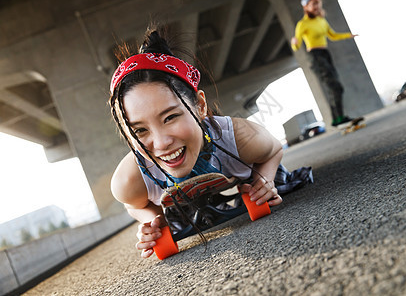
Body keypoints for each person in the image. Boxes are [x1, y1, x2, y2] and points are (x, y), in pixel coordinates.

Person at [109, 27, 313, 258]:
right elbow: (135, 204)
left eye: (171, 117)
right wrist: (153, 221)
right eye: (140, 130)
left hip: (232, 167)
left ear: (200, 105)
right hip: (176, 200)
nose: (162, 143)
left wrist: (263, 180)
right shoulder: (129, 180)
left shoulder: (240, 137)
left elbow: (274, 149)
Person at [291, 0, 358, 126]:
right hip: (315, 56)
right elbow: (297, 45)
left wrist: (348, 35)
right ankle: (339, 119)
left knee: (335, 87)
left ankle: (337, 119)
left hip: (325, 54)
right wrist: (294, 42)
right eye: (313, 4)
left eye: (318, 3)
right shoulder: (302, 24)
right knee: (335, 87)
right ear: (306, 7)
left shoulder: (321, 20)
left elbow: (332, 36)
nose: (316, 6)